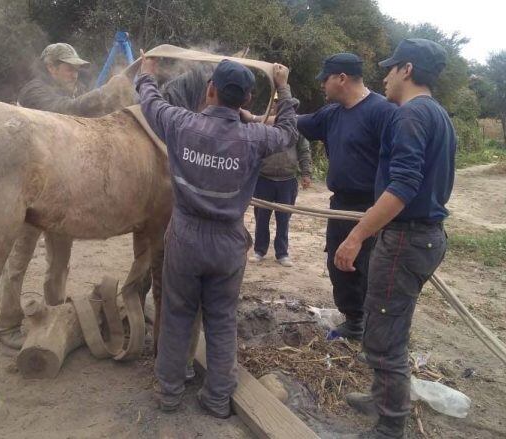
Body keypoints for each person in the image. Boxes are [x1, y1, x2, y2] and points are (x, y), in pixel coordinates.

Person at [136, 54, 298, 418]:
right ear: (246, 102)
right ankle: (217, 398)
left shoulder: (180, 123)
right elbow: (289, 130)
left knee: (178, 315)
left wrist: (147, 74)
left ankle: (169, 392)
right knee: (222, 319)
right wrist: (284, 86)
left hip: (185, 238)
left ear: (209, 90)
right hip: (228, 242)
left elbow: (150, 102)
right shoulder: (256, 137)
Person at [335, 39, 455, 439]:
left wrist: (355, 236)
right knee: (386, 320)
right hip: (424, 237)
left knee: (384, 333)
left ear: (406, 69)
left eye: (389, 68)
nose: (383, 76)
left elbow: (403, 186)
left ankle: (389, 425)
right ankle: (381, 393)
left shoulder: (409, 117)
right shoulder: (437, 115)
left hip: (406, 237)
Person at [0, 42, 132, 349]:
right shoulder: (34, 92)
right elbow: (66, 111)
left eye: (76, 67)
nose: (74, 72)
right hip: (30, 189)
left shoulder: (72, 89)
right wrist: (105, 92)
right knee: (19, 259)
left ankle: (54, 309)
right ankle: (6, 323)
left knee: (60, 259)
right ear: (51, 67)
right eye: (68, 67)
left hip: (61, 190)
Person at [297, 53, 396, 339]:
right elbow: (297, 122)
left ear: (341, 78)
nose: (321, 86)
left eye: (325, 79)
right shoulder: (332, 114)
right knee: (339, 264)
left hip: (371, 207)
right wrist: (253, 117)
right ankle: (353, 322)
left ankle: (374, 330)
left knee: (369, 268)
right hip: (339, 206)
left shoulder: (383, 112)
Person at [244, 93, 312, 267]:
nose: (276, 107)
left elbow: (304, 150)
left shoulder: (296, 125)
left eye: (280, 104)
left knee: (284, 218)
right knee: (261, 217)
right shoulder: (263, 124)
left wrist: (306, 173)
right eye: (274, 104)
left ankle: (282, 253)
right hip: (264, 179)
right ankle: (260, 250)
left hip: (287, 180)